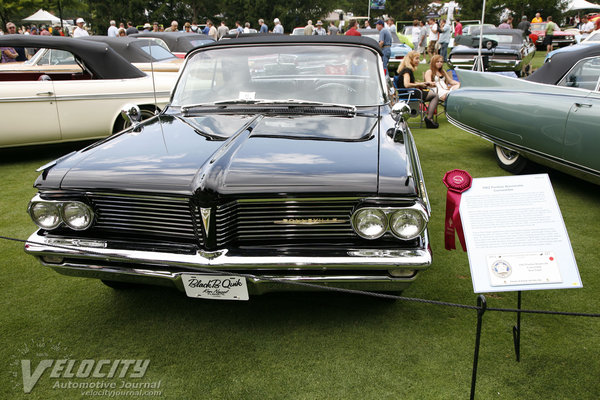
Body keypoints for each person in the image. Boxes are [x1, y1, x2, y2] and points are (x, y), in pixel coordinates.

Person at [396, 51, 439, 128]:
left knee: (432, 93)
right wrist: (420, 84)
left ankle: (429, 118)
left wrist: (425, 83)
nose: (418, 61)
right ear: (410, 59)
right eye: (416, 58)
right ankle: (429, 119)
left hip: (409, 92)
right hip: (409, 94)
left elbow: (411, 82)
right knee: (435, 96)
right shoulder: (407, 70)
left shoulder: (407, 70)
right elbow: (407, 84)